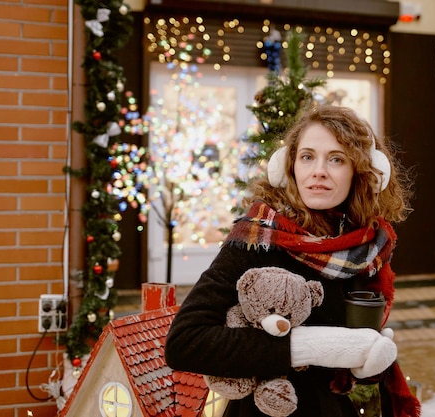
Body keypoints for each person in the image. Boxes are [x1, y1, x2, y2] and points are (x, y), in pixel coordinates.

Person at [165, 104, 420, 417]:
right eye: (308, 156)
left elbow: (349, 363)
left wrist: (368, 366)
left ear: (362, 172)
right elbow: (185, 343)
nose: (319, 171)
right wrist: (306, 346)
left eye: (337, 159)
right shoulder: (256, 238)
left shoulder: (365, 248)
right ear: (289, 166)